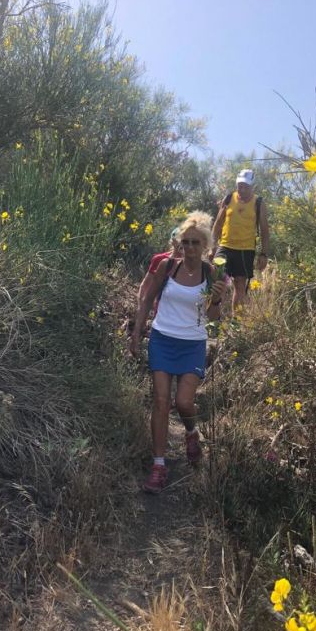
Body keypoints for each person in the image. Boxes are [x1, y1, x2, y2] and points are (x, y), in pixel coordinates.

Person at [129, 211, 226, 493]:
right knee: (160, 401)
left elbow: (214, 317)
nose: (190, 248)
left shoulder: (211, 273)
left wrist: (218, 298)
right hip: (162, 338)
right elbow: (147, 298)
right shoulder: (168, 266)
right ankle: (159, 466)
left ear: (205, 245)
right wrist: (137, 332)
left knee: (184, 403)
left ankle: (191, 432)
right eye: (186, 242)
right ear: (180, 243)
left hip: (193, 343)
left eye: (196, 243)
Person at [211, 169, 269, 311]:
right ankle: (212, 315)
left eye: (246, 186)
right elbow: (218, 224)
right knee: (217, 278)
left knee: (240, 284)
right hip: (225, 246)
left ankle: (236, 323)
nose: (242, 190)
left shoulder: (259, 203)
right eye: (240, 186)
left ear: (252, 187)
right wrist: (212, 247)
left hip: (245, 250)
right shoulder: (229, 198)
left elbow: (264, 231)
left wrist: (263, 254)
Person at [137, 226, 182, 305]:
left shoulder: (192, 264)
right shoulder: (160, 259)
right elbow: (145, 285)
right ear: (172, 241)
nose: (180, 243)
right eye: (178, 240)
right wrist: (142, 308)